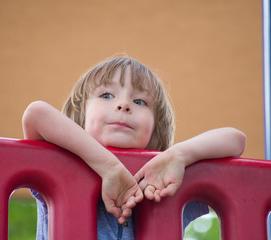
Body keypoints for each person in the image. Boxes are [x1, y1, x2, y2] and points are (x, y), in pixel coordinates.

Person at [22, 56, 246, 239]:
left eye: (140, 102)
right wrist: (109, 167)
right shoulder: (64, 164)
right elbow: (36, 113)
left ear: (156, 128)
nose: (123, 105)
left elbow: (236, 139)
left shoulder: (162, 181)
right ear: (80, 117)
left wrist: (179, 155)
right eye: (106, 95)